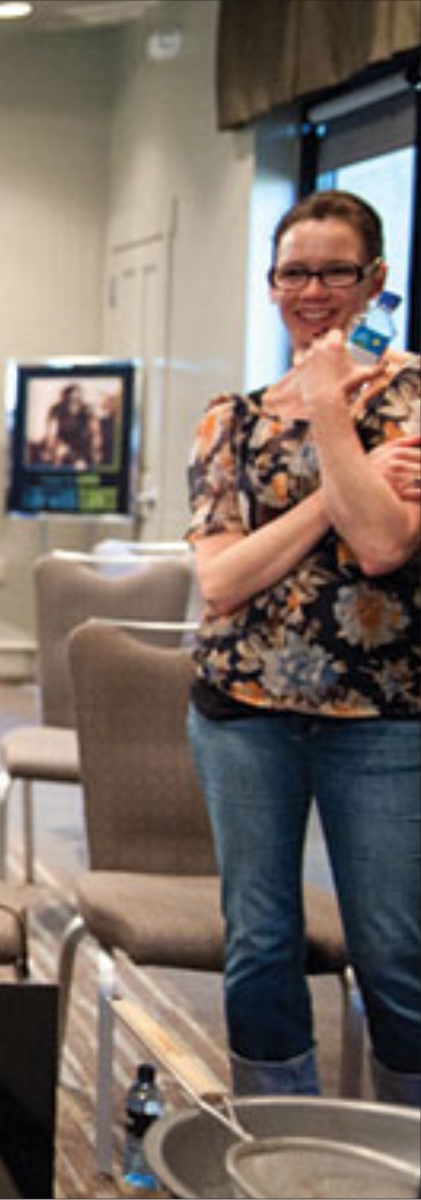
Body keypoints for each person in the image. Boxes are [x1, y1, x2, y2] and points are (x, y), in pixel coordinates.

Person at [185, 188, 421, 1106]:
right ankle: (276, 1135)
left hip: (384, 718)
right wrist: (338, 493)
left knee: (396, 948)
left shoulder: (412, 404)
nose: (312, 290)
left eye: (335, 271)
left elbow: (385, 548)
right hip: (242, 715)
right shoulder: (229, 420)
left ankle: (404, 1151)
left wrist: (328, 408)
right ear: (272, 282)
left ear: (376, 281)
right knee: (260, 941)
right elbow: (221, 582)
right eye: (295, 272)